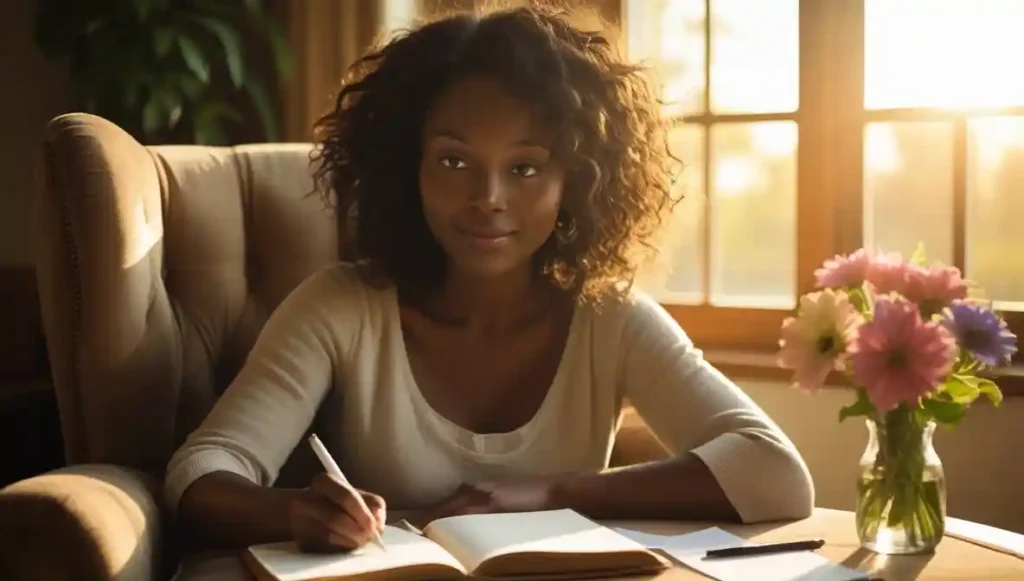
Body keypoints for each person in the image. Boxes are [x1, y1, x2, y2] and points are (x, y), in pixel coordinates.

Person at [165, 0, 814, 559]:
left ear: (575, 181)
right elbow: (200, 472)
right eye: (454, 161)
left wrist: (551, 491)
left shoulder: (608, 316)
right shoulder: (341, 307)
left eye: (525, 169)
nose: (488, 199)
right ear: (409, 168)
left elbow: (776, 473)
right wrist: (292, 511)